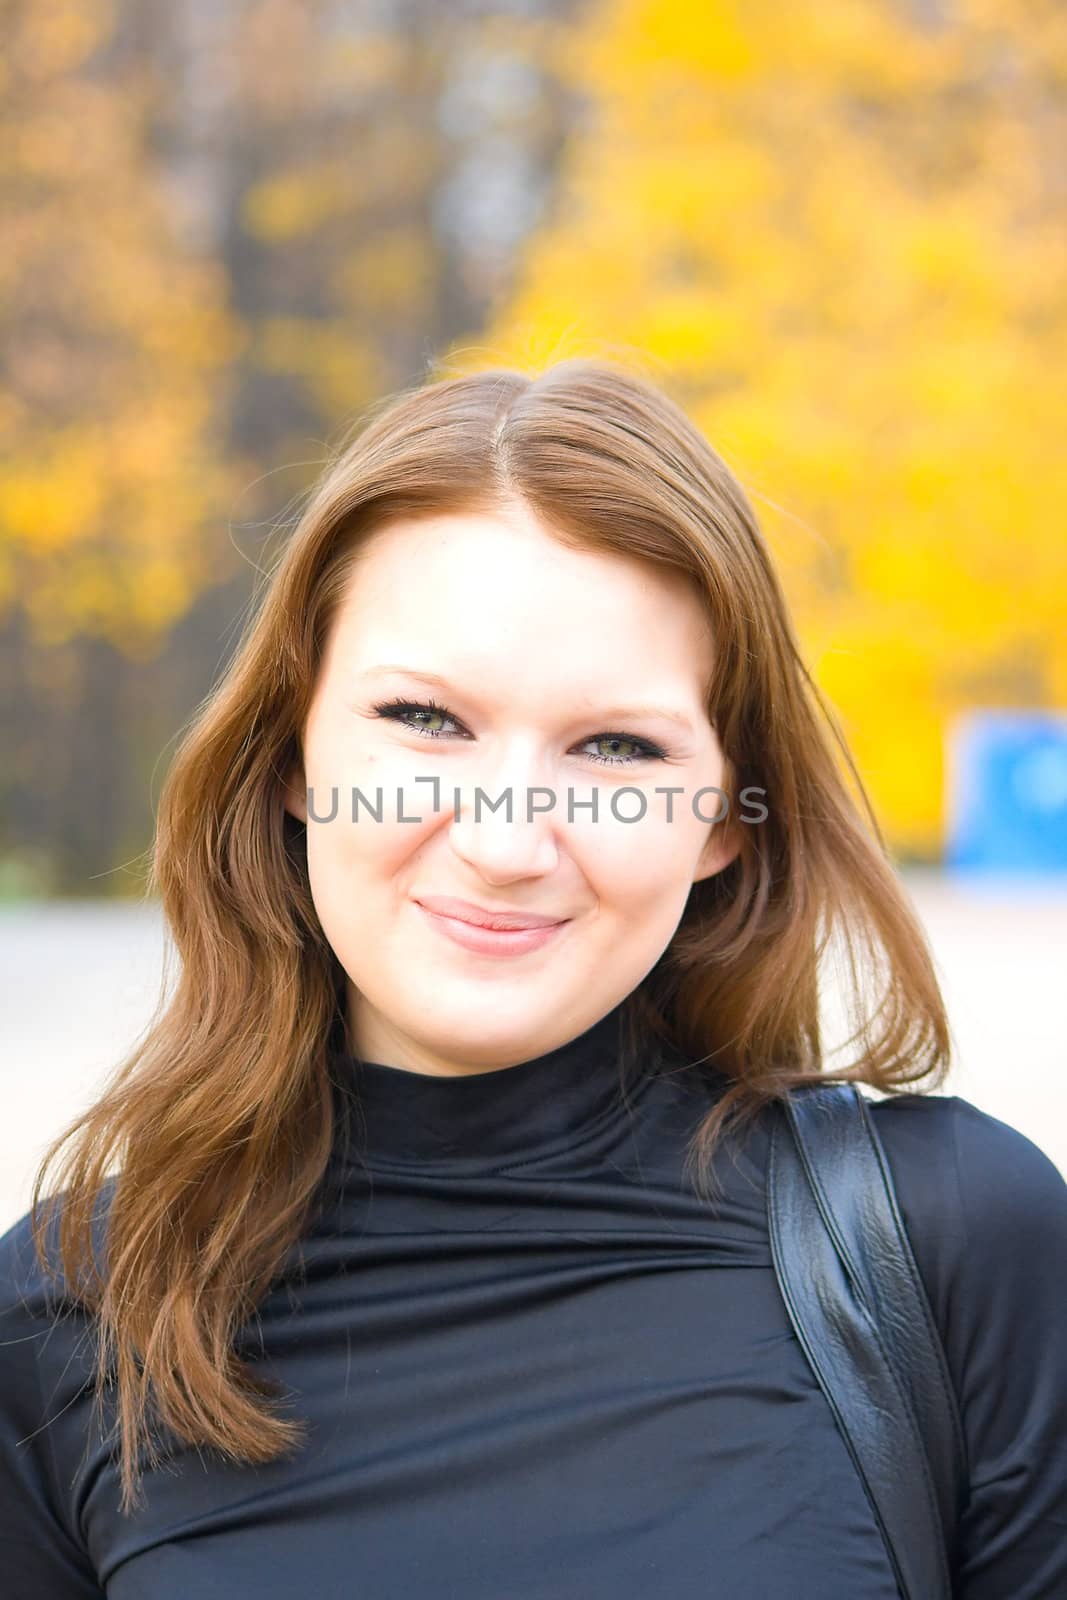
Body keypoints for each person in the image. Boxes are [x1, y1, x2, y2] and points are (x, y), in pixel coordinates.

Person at [2, 359, 1065, 1599]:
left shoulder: (952, 1247)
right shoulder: (64, 1310)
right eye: (425, 720)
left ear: (724, 816)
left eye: (615, 747)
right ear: (291, 753)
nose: (505, 841)